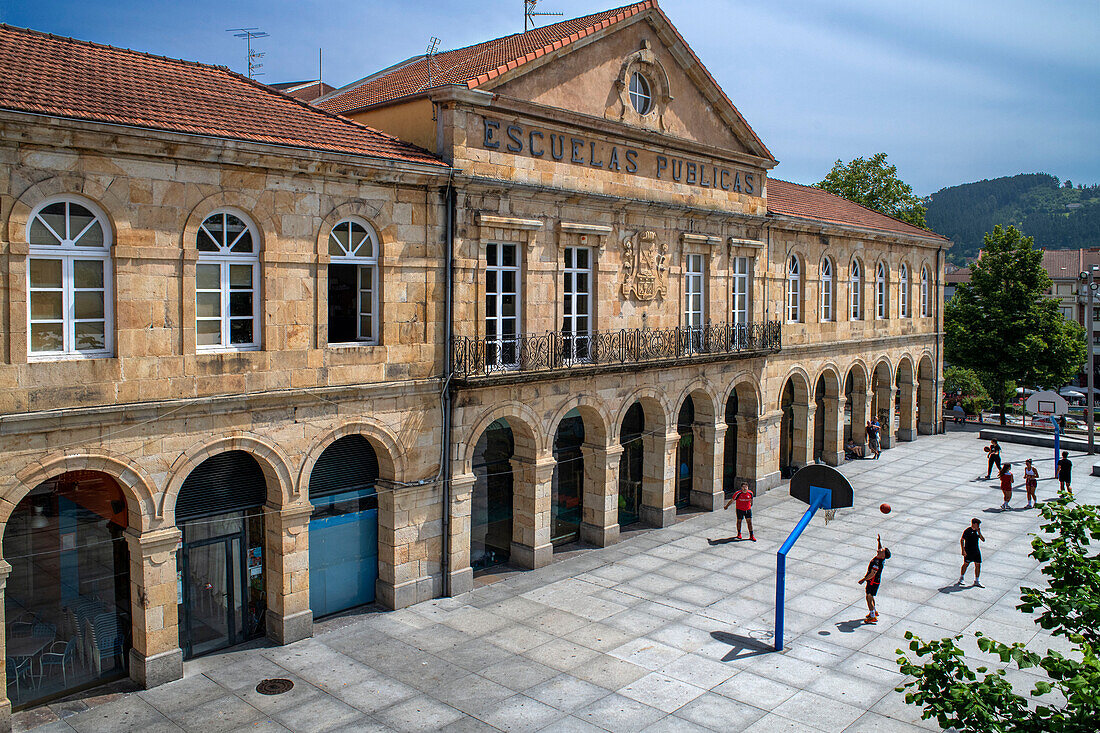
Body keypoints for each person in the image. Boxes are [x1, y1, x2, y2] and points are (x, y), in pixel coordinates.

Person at [858, 534, 890, 623]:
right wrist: (879, 541)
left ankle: (872, 617)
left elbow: (872, 573)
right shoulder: (881, 559)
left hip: (872, 581)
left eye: (882, 550)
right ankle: (874, 611)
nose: (880, 549)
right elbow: (880, 549)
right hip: (875, 581)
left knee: (868, 597)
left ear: (883, 555)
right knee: (871, 596)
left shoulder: (877, 562)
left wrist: (864, 579)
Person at [958, 518, 985, 586]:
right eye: (977, 524)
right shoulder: (967, 531)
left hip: (976, 550)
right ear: (974, 524)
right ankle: (961, 577)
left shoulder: (977, 531)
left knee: (978, 565)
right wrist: (963, 550)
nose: (978, 526)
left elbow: (983, 539)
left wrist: (979, 532)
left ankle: (977, 580)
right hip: (968, 550)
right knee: (966, 564)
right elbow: (962, 540)